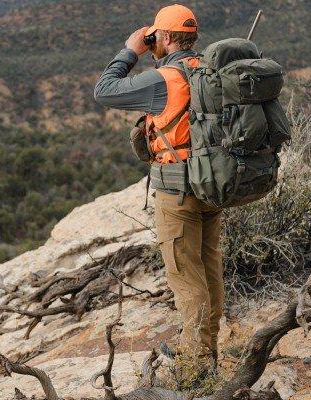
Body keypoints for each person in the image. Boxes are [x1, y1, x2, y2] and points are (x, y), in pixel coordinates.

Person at [93, 4, 223, 379]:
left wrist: (131, 51)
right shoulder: (209, 69)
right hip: (212, 185)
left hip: (177, 192)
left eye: (156, 36)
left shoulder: (162, 79)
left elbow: (104, 91)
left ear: (164, 36)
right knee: (209, 269)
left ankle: (196, 365)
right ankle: (208, 348)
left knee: (185, 276)